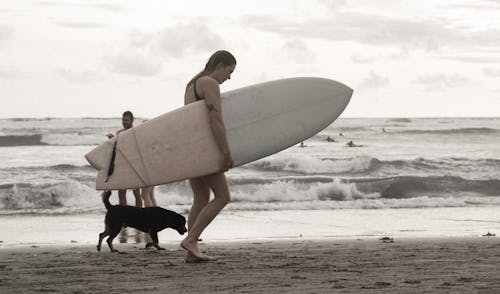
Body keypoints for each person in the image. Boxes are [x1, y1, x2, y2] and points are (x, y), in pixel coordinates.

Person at [180, 50, 236, 262]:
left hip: (191, 148)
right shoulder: (210, 84)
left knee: (201, 199)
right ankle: (191, 240)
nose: (228, 77)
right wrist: (225, 151)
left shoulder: (192, 84)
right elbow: (214, 119)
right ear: (220, 64)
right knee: (223, 197)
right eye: (229, 71)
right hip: (204, 148)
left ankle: (191, 253)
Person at [106, 111, 142, 208]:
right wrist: (112, 139)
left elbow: (136, 148)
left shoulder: (136, 132)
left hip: (134, 166)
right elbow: (117, 149)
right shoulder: (119, 133)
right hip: (122, 166)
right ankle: (124, 216)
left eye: (126, 120)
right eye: (123, 120)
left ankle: (139, 215)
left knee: (136, 192)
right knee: (121, 192)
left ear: (132, 120)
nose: (124, 122)